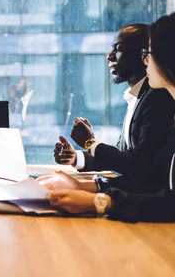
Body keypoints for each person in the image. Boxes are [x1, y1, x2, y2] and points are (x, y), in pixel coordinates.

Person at [38, 13, 175, 222]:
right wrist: (79, 161)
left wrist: (97, 198)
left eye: (150, 53)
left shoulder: (157, 100)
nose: (146, 59)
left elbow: (144, 173)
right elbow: (133, 163)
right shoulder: (139, 98)